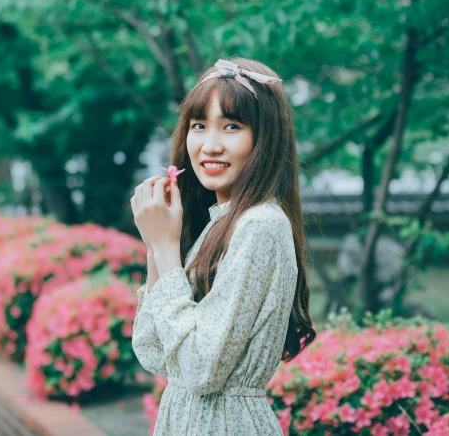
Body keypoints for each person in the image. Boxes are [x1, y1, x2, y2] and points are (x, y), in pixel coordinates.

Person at [130, 57, 316, 435]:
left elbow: (202, 369)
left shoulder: (260, 225)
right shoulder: (217, 225)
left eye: (232, 126)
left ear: (265, 137)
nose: (210, 145)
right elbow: (154, 353)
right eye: (199, 126)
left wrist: (166, 249)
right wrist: (157, 245)